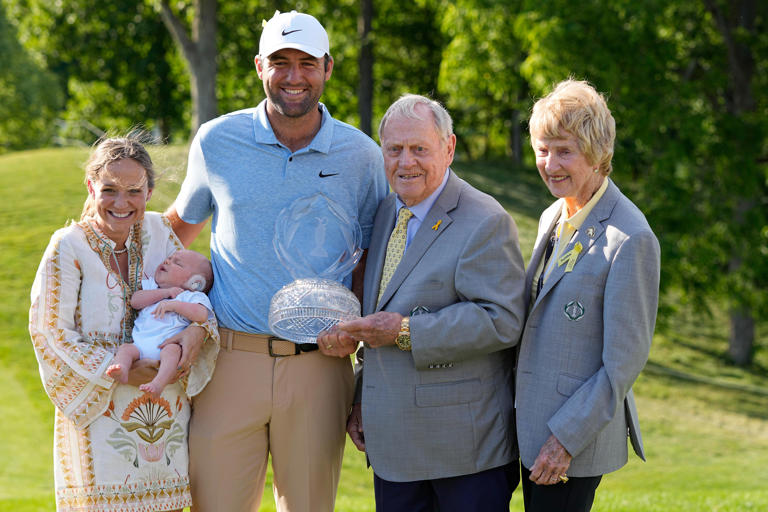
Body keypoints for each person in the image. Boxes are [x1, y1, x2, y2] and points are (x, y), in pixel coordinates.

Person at [164, 10, 389, 512]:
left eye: (306, 63)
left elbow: (371, 262)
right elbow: (178, 227)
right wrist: (104, 232)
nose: (293, 77)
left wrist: (365, 368)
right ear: (259, 66)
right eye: (280, 63)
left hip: (320, 364)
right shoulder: (217, 141)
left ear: (328, 68)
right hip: (227, 361)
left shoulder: (362, 155)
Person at [317, 94, 527, 511]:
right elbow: (376, 317)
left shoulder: (485, 219)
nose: (405, 161)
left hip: (465, 454)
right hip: (395, 451)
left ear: (448, 148)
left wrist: (406, 332)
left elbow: (502, 319)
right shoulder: (383, 214)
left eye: (419, 149)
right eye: (394, 149)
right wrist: (362, 398)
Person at [29, 136, 219, 512]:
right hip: (101, 403)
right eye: (109, 190)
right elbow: (50, 332)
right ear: (90, 187)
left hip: (164, 408)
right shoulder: (68, 246)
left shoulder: (159, 232)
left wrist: (198, 331)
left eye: (134, 191)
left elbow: (197, 295)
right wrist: (116, 370)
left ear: (149, 191)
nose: (121, 202)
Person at [515, 79, 660, 511]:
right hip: (527, 427)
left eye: (564, 150)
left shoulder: (630, 237)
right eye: (543, 148)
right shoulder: (553, 214)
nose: (549, 163)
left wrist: (564, 441)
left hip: (568, 444)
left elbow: (621, 366)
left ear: (597, 153)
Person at [107, 249, 214, 398]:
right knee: (125, 349)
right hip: (139, 345)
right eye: (169, 258)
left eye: (177, 263)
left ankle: (158, 384)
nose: (167, 261)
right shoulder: (153, 287)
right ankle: (122, 369)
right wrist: (165, 293)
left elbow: (202, 315)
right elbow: (135, 301)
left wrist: (174, 305)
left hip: (166, 346)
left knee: (172, 352)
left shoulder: (191, 296)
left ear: (195, 282)